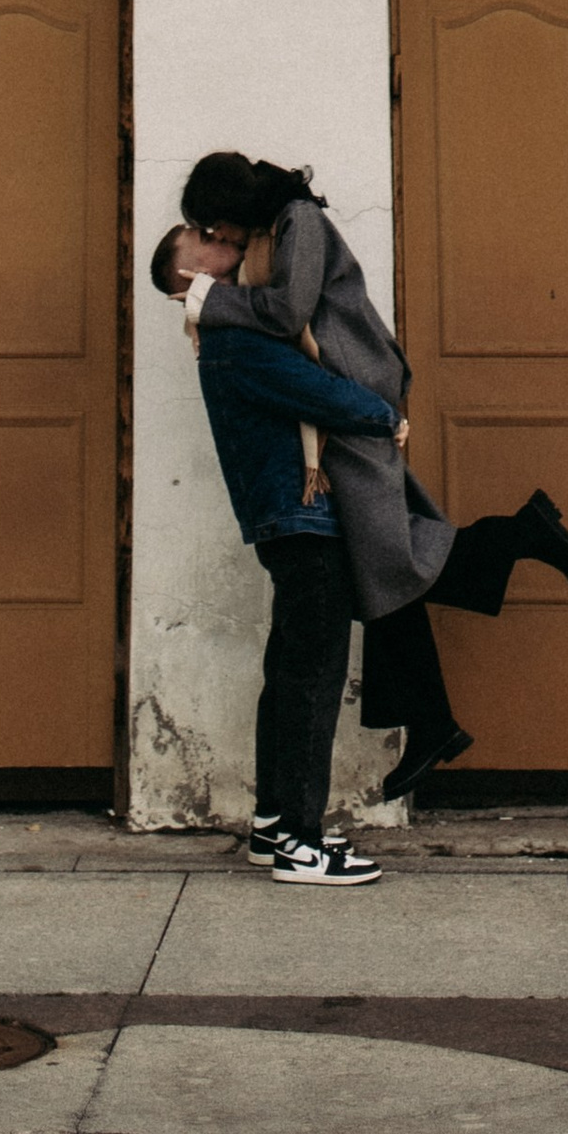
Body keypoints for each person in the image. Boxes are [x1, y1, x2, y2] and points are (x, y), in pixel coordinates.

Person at [178, 151, 568, 802]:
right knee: (380, 561)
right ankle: (433, 722)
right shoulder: (270, 233)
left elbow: (287, 313)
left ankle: (520, 535)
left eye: (215, 225)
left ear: (234, 206)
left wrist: (211, 298)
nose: (218, 237)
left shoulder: (298, 220)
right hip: (335, 398)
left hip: (354, 387)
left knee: (387, 556)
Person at [151, 221, 396, 885]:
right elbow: (327, 395)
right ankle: (301, 844)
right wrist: (385, 413)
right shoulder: (237, 339)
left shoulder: (227, 335)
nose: (224, 237)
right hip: (303, 523)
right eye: (204, 237)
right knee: (312, 679)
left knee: (290, 675)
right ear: (193, 275)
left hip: (289, 521)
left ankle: (272, 826)